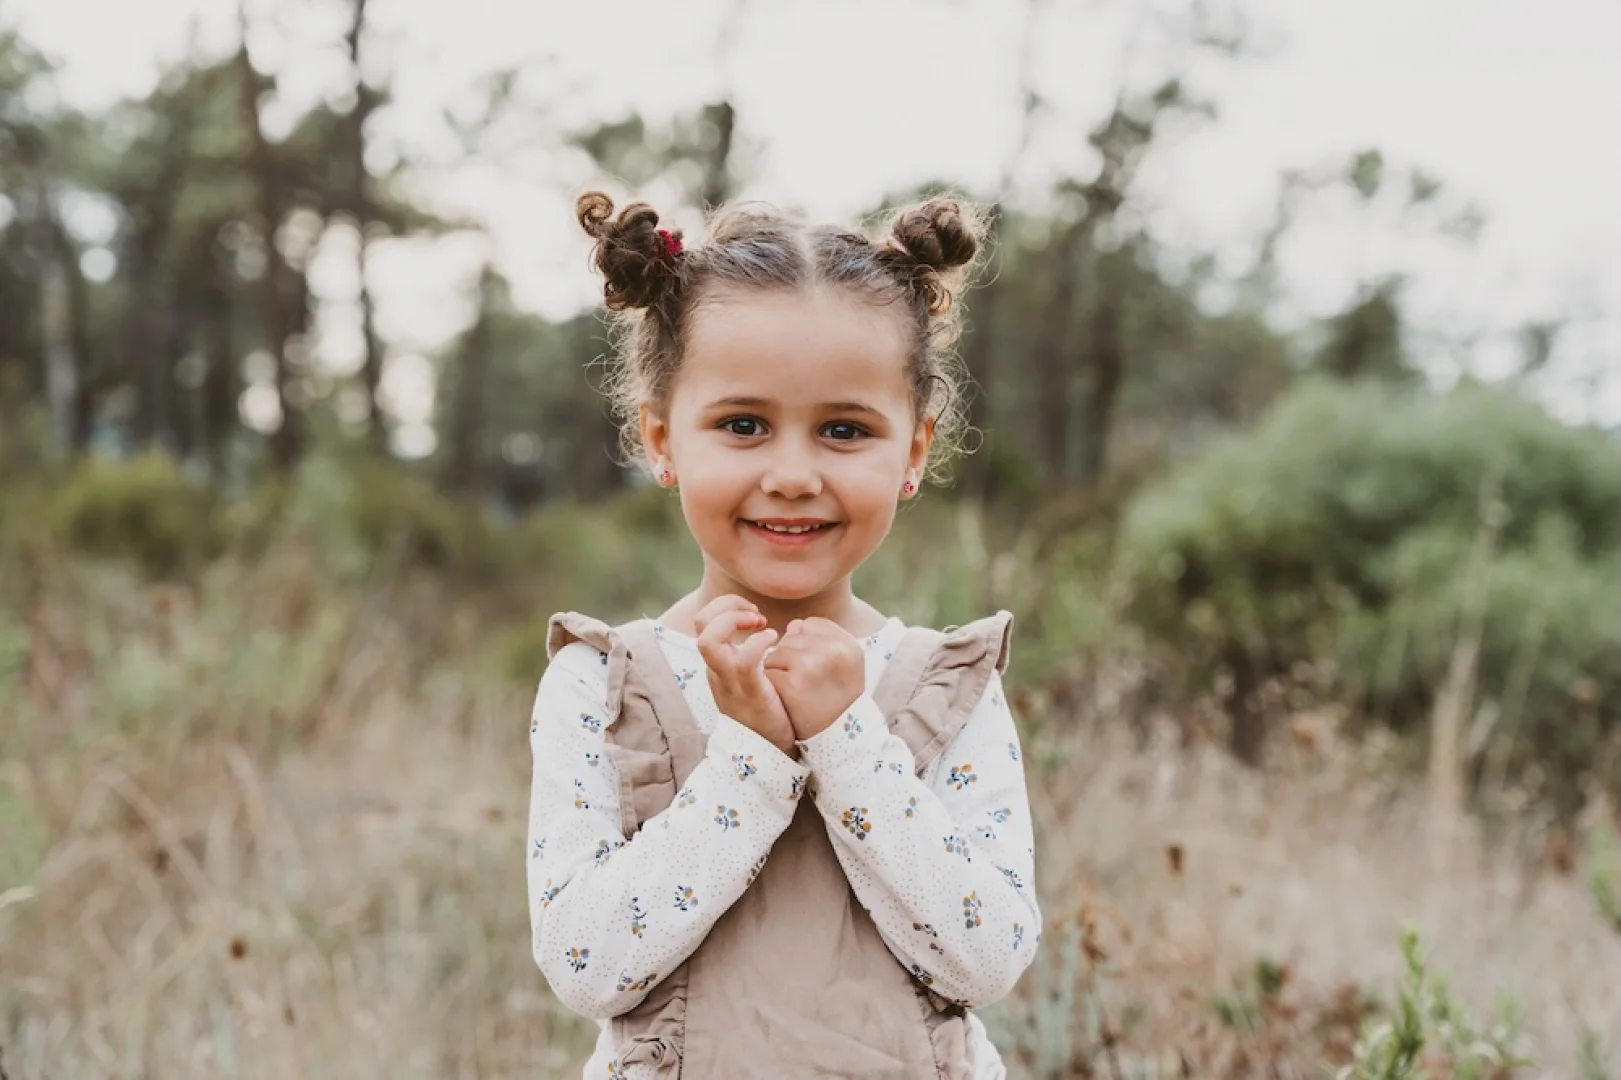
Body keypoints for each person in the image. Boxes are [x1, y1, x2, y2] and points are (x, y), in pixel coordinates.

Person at [526, 190, 1041, 1079]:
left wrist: (845, 739)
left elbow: (988, 959)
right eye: (742, 426)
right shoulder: (604, 683)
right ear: (662, 439)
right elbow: (585, 966)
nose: (793, 475)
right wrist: (751, 758)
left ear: (913, 452)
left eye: (844, 430)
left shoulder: (944, 683)